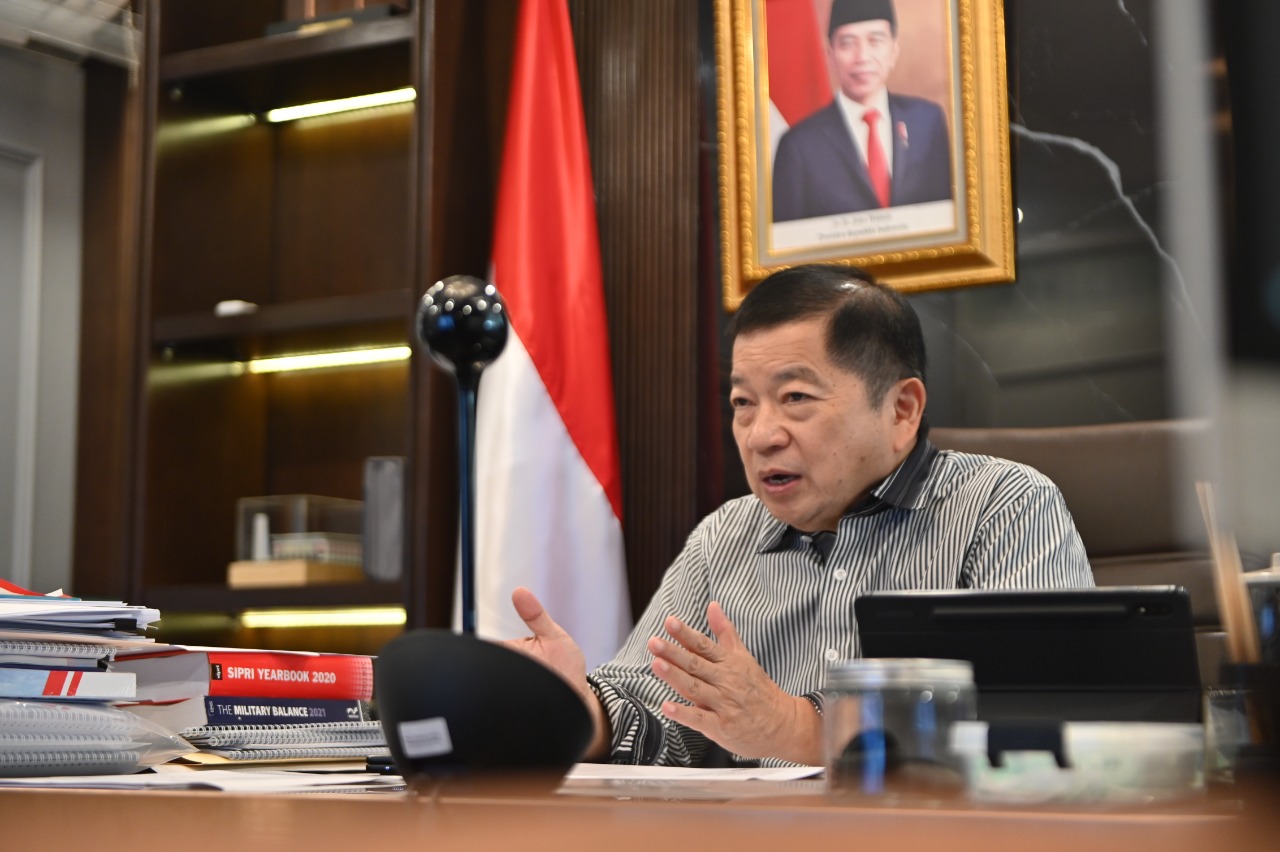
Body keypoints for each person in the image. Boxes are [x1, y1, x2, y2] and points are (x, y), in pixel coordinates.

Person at [506, 263, 1094, 767]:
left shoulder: (1002, 506)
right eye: (743, 403)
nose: (760, 435)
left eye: (796, 398)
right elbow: (666, 709)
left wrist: (796, 728)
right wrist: (579, 710)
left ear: (901, 410)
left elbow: (1039, 725)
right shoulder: (725, 536)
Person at [772, 0, 953, 222]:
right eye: (848, 44)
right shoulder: (798, 146)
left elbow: (945, 214)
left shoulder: (928, 121)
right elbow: (790, 236)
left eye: (875, 41)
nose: (862, 57)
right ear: (830, 55)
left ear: (894, 50)